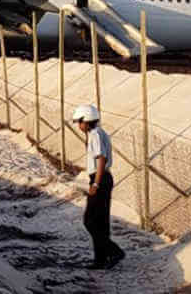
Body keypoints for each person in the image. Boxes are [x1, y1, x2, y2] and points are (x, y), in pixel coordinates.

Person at [73, 104, 124, 270]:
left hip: (100, 179)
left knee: (90, 221)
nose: (79, 126)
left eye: (79, 122)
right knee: (100, 222)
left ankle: (115, 252)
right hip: (103, 178)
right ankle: (100, 259)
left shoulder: (94, 135)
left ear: (86, 121)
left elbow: (101, 159)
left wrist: (95, 183)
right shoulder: (100, 132)